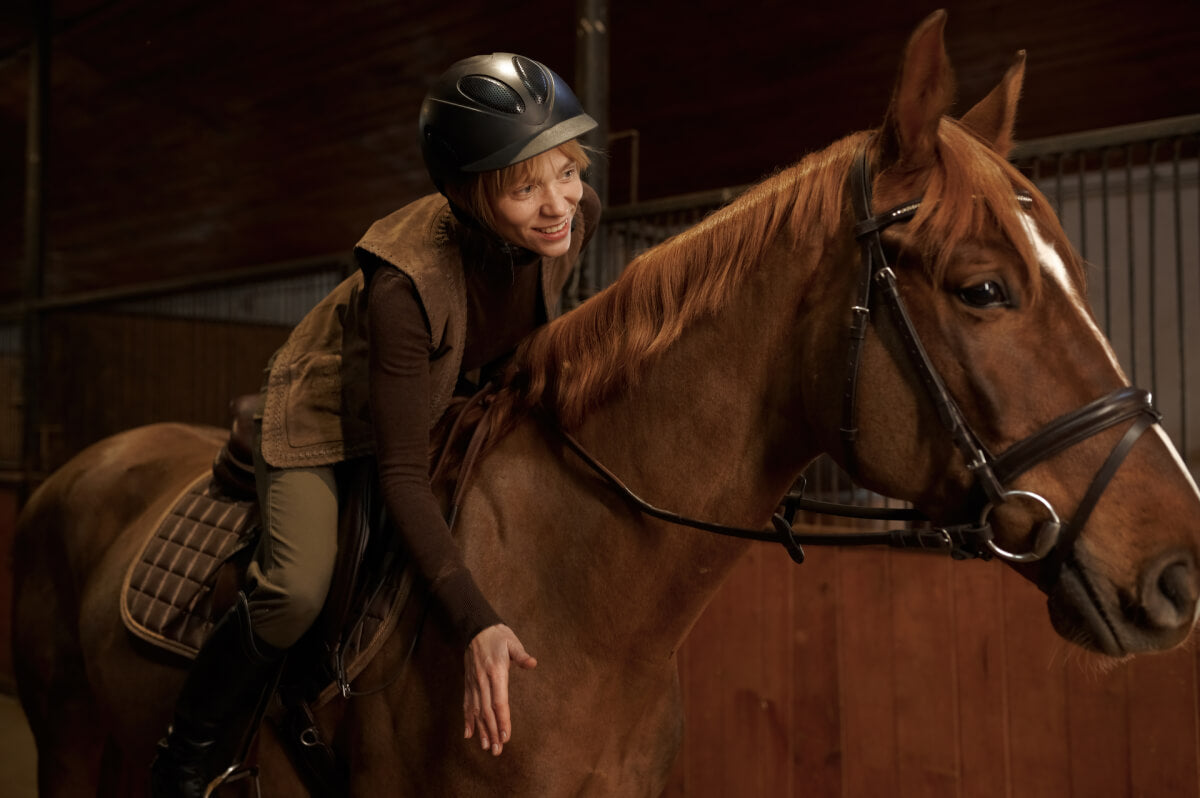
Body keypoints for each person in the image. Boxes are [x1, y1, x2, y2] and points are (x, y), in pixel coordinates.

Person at [150, 52, 600, 797]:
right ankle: (185, 758)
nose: (558, 204)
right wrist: (476, 623)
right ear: (468, 193)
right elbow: (400, 473)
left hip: (444, 389)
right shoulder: (403, 284)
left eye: (567, 171)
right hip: (331, 412)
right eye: (525, 187)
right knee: (295, 588)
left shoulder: (577, 217)